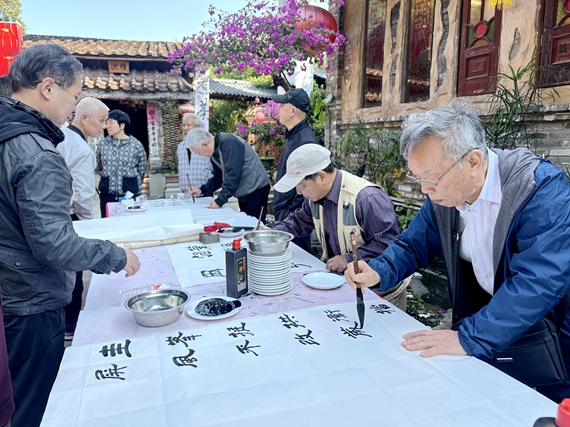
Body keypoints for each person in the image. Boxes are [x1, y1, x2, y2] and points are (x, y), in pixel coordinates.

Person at [344, 101, 570, 402]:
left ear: (473, 161)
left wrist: (470, 336)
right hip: (491, 325)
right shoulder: (445, 198)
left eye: (431, 179)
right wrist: (377, 271)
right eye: (418, 179)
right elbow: (413, 244)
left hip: (551, 333)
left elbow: (538, 281)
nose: (424, 190)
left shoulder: (538, 189)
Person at [0, 43, 141, 427]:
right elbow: (53, 243)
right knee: (33, 403)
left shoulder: (7, 130)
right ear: (48, 88)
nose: (73, 108)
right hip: (30, 299)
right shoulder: (34, 151)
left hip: (9, 287)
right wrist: (115, 255)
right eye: (74, 96)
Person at [272, 144, 399, 274]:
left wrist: (350, 259)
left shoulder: (366, 198)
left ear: (321, 176)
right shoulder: (315, 198)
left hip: (376, 281)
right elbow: (298, 221)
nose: (298, 192)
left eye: (301, 185)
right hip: (340, 277)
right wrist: (273, 235)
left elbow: (387, 243)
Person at [57, 96, 109, 341]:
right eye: (101, 120)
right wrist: (90, 225)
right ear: (84, 118)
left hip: (52, 215)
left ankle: (64, 324)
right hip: (71, 216)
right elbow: (83, 196)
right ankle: (71, 325)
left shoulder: (60, 137)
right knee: (74, 272)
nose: (104, 126)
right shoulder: (80, 148)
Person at [272, 87, 321, 252]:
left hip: (294, 219)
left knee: (298, 259)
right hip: (286, 216)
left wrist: (288, 213)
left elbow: (309, 186)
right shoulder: (294, 136)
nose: (278, 109)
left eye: (281, 106)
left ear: (293, 110)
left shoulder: (306, 141)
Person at [187, 128, 270, 222]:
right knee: (246, 224)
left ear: (204, 144)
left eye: (198, 152)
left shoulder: (228, 142)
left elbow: (233, 174)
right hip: (244, 192)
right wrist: (202, 190)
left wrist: (220, 200)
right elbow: (219, 178)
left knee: (255, 225)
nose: (199, 155)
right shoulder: (215, 153)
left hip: (255, 190)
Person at [96, 109, 147, 217]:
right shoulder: (102, 144)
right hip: (107, 195)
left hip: (129, 196)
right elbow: (100, 167)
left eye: (111, 122)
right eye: (106, 122)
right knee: (107, 223)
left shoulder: (136, 145)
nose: (107, 126)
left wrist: (132, 185)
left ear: (122, 125)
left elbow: (142, 169)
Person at [176, 113, 212, 192]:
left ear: (197, 127)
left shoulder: (205, 145)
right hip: (186, 192)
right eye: (183, 125)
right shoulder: (180, 146)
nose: (185, 128)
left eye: (188, 125)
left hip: (204, 191)